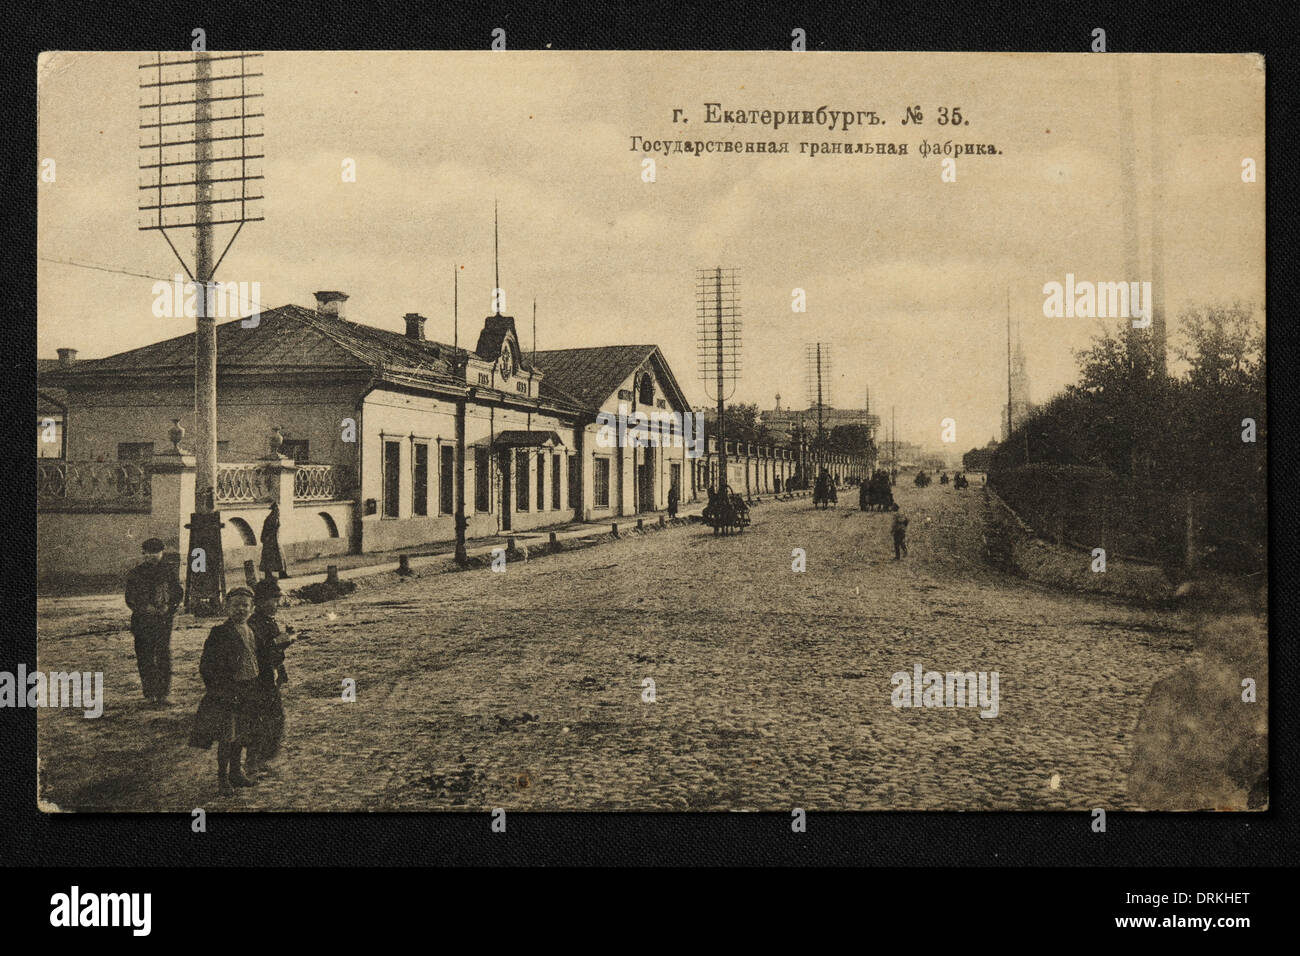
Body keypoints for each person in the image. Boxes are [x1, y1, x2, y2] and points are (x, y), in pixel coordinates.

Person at [189, 586, 264, 795]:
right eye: (235, 605)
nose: (240, 609)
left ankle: (236, 773)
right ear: (226, 608)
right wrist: (220, 690)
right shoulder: (219, 633)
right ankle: (222, 778)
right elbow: (207, 666)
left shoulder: (252, 631)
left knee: (242, 733)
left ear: (252, 608)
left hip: (249, 689)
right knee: (227, 736)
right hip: (230, 692)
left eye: (245, 605)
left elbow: (260, 658)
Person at [124, 538, 184, 706]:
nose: (152, 556)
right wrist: (144, 608)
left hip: (163, 621)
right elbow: (130, 599)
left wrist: (169, 608)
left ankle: (163, 694)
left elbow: (178, 593)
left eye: (156, 552)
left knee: (163, 656)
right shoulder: (135, 574)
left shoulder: (168, 572)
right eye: (149, 553)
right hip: (142, 621)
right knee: (145, 657)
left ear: (161, 553)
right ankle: (150, 694)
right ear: (143, 554)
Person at [248, 577, 294, 776]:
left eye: (277, 600)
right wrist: (279, 642)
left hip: (270, 677)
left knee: (274, 718)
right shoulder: (254, 624)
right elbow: (258, 651)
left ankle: (263, 759)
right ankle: (256, 761)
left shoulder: (267, 621)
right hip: (260, 679)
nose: (276, 604)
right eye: (272, 600)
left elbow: (273, 651)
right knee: (264, 720)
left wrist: (284, 641)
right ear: (259, 602)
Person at [259, 501, 291, 580]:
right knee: (270, 557)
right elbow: (268, 531)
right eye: (277, 509)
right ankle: (269, 574)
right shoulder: (271, 518)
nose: (278, 511)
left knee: (279, 557)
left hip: (275, 540)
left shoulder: (275, 517)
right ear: (274, 510)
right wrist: (267, 539)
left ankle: (281, 573)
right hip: (270, 541)